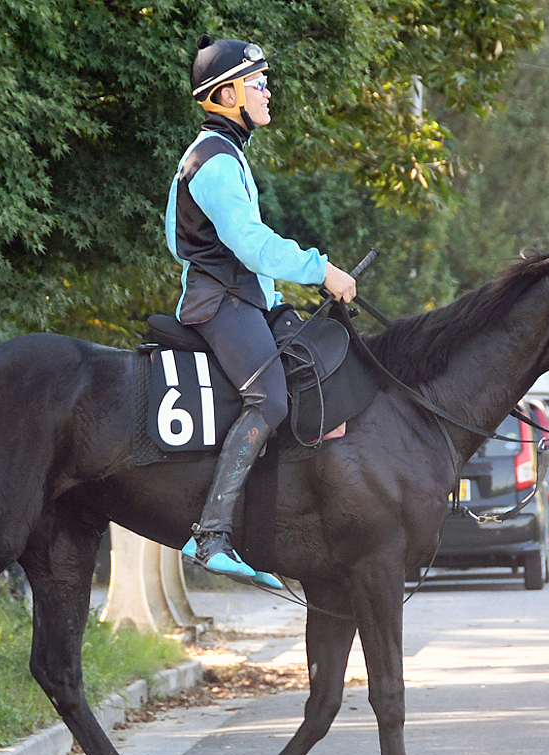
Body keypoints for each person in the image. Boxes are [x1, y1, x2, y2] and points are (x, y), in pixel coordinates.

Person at [166, 35, 357, 586]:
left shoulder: (226, 156)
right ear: (226, 96)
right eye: (258, 83)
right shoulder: (213, 161)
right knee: (269, 398)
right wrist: (322, 269)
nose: (268, 91)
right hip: (220, 303)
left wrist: (282, 302)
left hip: (246, 299)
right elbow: (252, 245)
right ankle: (211, 535)